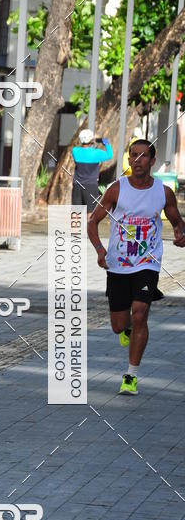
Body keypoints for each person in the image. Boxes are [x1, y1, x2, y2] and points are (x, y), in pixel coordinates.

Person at [88, 139, 185, 395]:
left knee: (141, 313)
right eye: (133, 155)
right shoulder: (116, 190)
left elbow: (177, 220)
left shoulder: (163, 193)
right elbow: (93, 222)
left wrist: (180, 233)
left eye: (142, 156)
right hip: (118, 265)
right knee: (119, 325)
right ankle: (127, 329)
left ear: (152, 161)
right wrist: (100, 250)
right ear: (128, 159)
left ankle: (131, 376)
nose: (137, 160)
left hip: (147, 263)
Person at [71, 129, 113, 215]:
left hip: (77, 185)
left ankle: (76, 228)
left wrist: (92, 140)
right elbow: (110, 155)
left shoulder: (75, 151)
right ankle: (88, 228)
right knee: (90, 212)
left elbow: (82, 149)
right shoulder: (97, 153)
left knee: (76, 212)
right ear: (91, 139)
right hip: (91, 186)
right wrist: (106, 143)